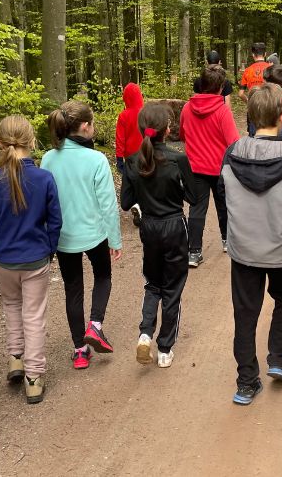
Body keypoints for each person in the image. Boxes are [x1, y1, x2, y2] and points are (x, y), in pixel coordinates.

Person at [220, 83, 282, 406]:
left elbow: (223, 197)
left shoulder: (231, 154)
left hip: (244, 248)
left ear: (249, 116)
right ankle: (277, 357)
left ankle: (246, 382)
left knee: (245, 313)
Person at [0, 116, 62, 404]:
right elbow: (55, 221)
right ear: (32, 141)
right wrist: (49, 249)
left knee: (12, 305)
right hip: (35, 258)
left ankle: (16, 358)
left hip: (3, 259)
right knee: (34, 315)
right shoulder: (43, 178)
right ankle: (34, 376)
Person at [41, 101, 123, 370]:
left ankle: (79, 349)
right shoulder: (96, 159)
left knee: (72, 288)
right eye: (93, 123)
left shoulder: (49, 158)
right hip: (95, 233)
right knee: (103, 276)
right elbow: (108, 204)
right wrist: (115, 239)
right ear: (85, 126)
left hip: (63, 237)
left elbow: (46, 200)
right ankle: (95, 325)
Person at [121, 103, 197, 368]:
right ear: (168, 128)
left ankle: (145, 334)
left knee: (153, 283)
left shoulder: (132, 161)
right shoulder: (178, 159)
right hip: (175, 225)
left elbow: (126, 201)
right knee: (173, 287)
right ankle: (165, 349)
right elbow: (194, 196)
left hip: (150, 227)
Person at [179, 64, 240, 267]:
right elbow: (233, 142)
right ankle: (226, 241)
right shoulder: (222, 111)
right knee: (224, 205)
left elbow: (182, 135)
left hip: (195, 167)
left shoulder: (187, 108)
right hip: (220, 168)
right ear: (221, 88)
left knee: (196, 209)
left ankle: (194, 252)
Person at [116, 83, 145, 226]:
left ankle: (135, 203)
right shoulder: (145, 113)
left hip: (130, 157)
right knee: (145, 181)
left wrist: (119, 158)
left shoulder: (123, 116)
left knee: (132, 181)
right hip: (146, 154)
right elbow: (150, 132)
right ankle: (142, 205)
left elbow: (120, 138)